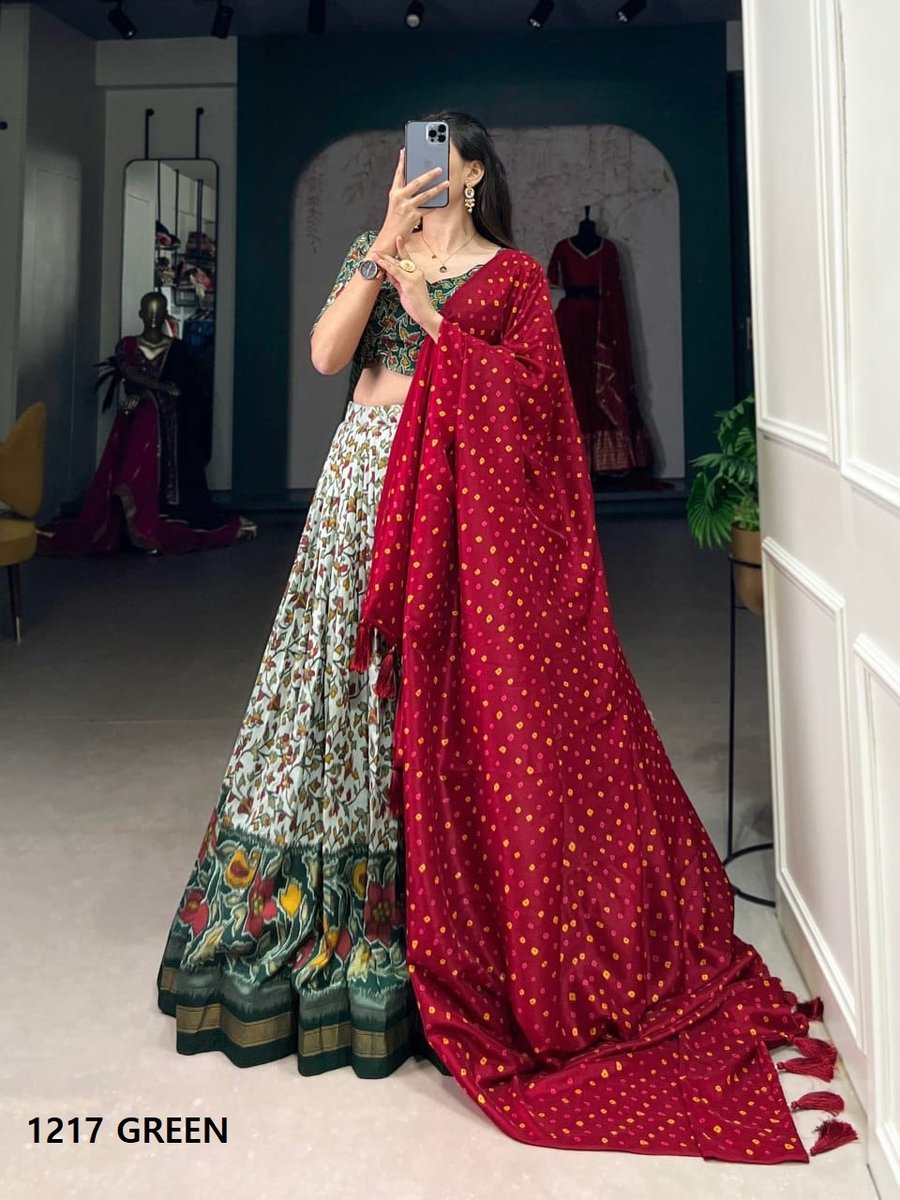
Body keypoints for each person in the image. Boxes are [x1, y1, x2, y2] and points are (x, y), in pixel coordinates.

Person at [156, 112, 852, 1163]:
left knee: (433, 695)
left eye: (438, 157)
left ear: (474, 174)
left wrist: (433, 318)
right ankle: (335, 925)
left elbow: (536, 406)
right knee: (340, 695)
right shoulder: (375, 249)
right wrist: (382, 252)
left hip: (453, 498)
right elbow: (326, 354)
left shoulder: (516, 277)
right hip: (360, 484)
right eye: (410, 156)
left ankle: (442, 931)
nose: (419, 169)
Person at [40, 292, 255, 555]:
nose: (153, 316)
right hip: (138, 416)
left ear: (165, 315)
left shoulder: (177, 349)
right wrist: (156, 389)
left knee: (168, 458)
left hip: (171, 422)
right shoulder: (127, 346)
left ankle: (162, 510)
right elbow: (130, 374)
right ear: (141, 313)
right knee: (134, 454)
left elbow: (186, 387)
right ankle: (129, 517)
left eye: (158, 311)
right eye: (149, 310)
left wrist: (162, 396)